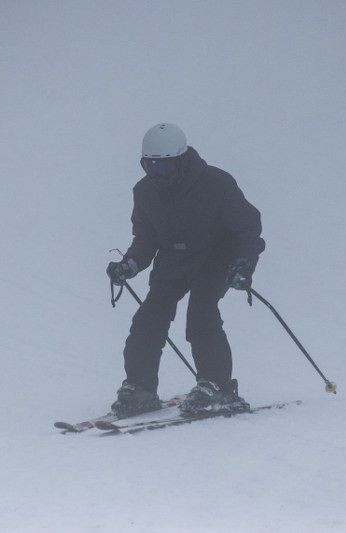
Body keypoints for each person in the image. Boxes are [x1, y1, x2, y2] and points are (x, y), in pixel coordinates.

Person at [106, 123, 266, 417]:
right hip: (173, 261)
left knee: (201, 316)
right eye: (149, 166)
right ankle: (140, 387)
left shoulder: (216, 183)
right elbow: (146, 238)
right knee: (148, 320)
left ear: (180, 161)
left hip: (215, 258)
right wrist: (130, 264)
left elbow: (247, 227)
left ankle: (217, 387)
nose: (156, 174)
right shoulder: (144, 192)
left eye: (163, 167)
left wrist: (244, 262)